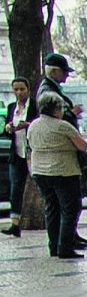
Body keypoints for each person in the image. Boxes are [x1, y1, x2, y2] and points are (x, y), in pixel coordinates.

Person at [25, 92, 87, 258]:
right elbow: (82, 146)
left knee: (51, 208)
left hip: (40, 172)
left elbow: (29, 144)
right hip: (63, 171)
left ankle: (53, 246)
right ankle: (65, 247)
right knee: (70, 209)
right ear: (56, 109)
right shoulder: (62, 126)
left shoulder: (33, 125)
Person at [5, 78, 33, 237]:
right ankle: (15, 223)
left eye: (22, 89)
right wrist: (9, 127)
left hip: (31, 152)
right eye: (16, 90)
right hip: (16, 153)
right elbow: (7, 129)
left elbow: (39, 123)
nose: (19, 92)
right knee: (15, 188)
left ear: (28, 89)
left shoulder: (34, 106)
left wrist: (27, 125)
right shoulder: (12, 107)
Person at [38, 52, 79, 124]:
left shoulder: (53, 88)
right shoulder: (47, 91)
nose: (67, 74)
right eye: (64, 71)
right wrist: (72, 113)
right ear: (53, 71)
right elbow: (52, 117)